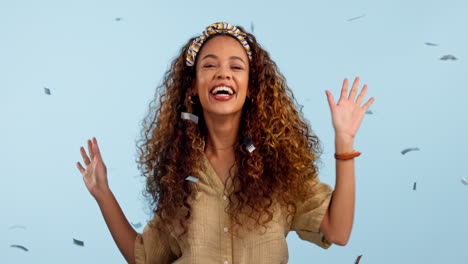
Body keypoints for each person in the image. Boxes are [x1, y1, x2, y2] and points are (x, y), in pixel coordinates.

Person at [76, 22, 374, 264]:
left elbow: (338, 231)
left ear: (251, 87)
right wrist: (103, 193)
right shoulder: (179, 176)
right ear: (192, 85)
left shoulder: (278, 170)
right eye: (209, 65)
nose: (223, 73)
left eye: (236, 66)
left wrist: (344, 142)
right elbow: (145, 258)